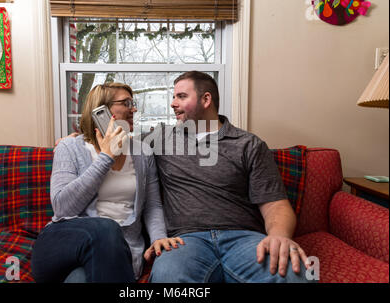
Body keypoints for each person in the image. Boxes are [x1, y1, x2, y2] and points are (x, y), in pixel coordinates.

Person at [56, 72, 312, 283]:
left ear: (206, 99)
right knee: (167, 279)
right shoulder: (159, 139)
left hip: (244, 238)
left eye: (181, 96)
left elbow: (276, 204)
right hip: (185, 241)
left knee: (296, 274)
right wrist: (76, 137)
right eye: (173, 97)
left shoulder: (248, 144)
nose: (172, 103)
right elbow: (112, 141)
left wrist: (279, 235)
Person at [31, 82, 182, 283]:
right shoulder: (70, 147)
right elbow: (63, 208)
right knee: (106, 228)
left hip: (117, 253)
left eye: (133, 102)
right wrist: (106, 157)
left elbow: (152, 205)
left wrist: (158, 238)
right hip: (63, 244)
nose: (134, 108)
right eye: (126, 103)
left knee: (78, 280)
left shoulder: (142, 152)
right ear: (101, 110)